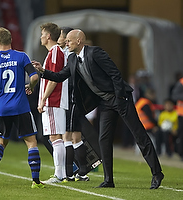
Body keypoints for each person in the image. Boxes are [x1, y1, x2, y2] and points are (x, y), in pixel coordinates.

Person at [32, 29, 164, 189]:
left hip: (120, 99)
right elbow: (60, 76)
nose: (66, 43)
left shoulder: (95, 52)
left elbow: (115, 74)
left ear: (79, 41)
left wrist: (121, 98)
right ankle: (108, 180)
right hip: (105, 103)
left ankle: (157, 173)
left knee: (139, 135)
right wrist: (43, 71)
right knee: (104, 140)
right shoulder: (73, 58)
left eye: (68, 40)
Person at [0, 27, 44, 189]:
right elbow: (35, 76)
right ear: (11, 41)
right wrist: (31, 86)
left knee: (0, 142)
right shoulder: (22, 56)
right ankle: (35, 181)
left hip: (2, 108)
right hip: (21, 106)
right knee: (31, 142)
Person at [36, 23, 68, 183]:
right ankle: (61, 173)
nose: (41, 36)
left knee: (55, 137)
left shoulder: (55, 52)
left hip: (53, 101)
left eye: (42, 33)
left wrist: (43, 99)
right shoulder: (52, 53)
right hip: (52, 101)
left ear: (48, 36)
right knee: (54, 137)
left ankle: (60, 174)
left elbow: (54, 79)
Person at [58, 26, 89, 182]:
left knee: (68, 137)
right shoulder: (71, 54)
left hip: (70, 99)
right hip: (73, 99)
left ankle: (69, 173)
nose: (61, 39)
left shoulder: (69, 55)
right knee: (75, 136)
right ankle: (81, 172)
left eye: (62, 37)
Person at [171, 77, 183, 161]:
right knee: (181, 135)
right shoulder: (181, 82)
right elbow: (174, 95)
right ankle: (181, 153)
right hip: (182, 114)